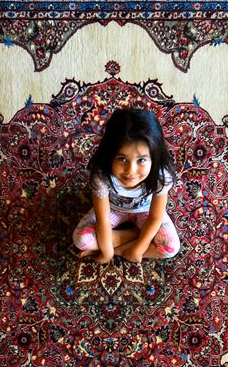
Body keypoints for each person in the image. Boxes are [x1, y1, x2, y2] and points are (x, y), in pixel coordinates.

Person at [73, 108, 181, 264]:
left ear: (154, 156)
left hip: (146, 211)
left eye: (141, 160)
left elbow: (155, 217)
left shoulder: (161, 175)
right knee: (81, 240)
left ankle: (123, 245)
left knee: (171, 247)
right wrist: (107, 253)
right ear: (110, 154)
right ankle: (133, 234)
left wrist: (137, 250)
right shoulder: (101, 175)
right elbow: (103, 219)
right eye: (122, 159)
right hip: (113, 209)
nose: (131, 170)